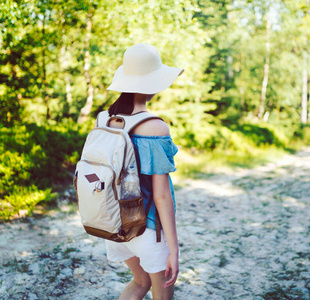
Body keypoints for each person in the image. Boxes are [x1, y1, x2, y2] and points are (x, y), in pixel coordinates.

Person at [103, 43, 184, 300]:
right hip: (146, 229)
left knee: (140, 282)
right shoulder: (155, 127)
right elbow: (161, 196)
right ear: (155, 83)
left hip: (114, 223)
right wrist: (174, 249)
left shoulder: (106, 119)